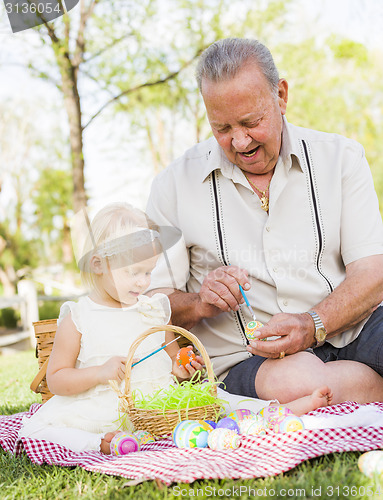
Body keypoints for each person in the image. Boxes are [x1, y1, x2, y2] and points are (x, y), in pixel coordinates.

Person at [146, 38, 383, 405]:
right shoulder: (172, 185)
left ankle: (347, 392)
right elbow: (152, 303)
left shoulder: (342, 158)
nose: (240, 142)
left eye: (251, 122)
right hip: (252, 363)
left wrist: (312, 324)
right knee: (299, 382)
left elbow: (372, 274)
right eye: (221, 128)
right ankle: (361, 390)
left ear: (282, 96)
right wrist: (199, 302)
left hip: (351, 329)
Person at [19, 202, 204, 454]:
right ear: (98, 264)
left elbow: (173, 363)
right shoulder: (79, 317)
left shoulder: (154, 310)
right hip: (102, 410)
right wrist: (99, 372)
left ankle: (130, 441)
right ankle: (96, 443)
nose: (143, 282)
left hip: (156, 412)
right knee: (46, 431)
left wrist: (182, 370)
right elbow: (56, 380)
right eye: (133, 272)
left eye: (149, 272)